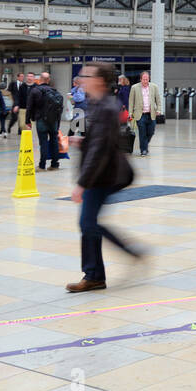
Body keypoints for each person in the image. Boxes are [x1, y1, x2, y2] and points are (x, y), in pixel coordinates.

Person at [66, 62, 142, 293]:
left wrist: (81, 184)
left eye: (86, 75)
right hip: (99, 174)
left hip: (104, 175)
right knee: (89, 223)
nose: (81, 78)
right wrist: (79, 139)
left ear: (99, 80)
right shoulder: (94, 103)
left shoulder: (107, 107)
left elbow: (100, 149)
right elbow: (92, 137)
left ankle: (97, 273)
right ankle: (95, 274)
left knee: (88, 223)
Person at [27, 72, 63, 171]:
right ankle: (54, 165)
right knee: (54, 142)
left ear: (40, 79)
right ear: (48, 80)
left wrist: (28, 121)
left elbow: (29, 107)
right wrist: (58, 123)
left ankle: (42, 166)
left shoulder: (35, 91)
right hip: (54, 121)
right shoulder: (55, 92)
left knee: (43, 143)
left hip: (41, 120)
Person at [128, 71, 163, 156]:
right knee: (142, 132)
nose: (145, 81)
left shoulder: (154, 87)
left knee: (151, 132)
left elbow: (158, 100)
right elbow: (131, 101)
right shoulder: (134, 87)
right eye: (144, 79)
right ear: (140, 79)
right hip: (140, 115)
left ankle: (145, 145)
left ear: (149, 79)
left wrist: (158, 109)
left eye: (147, 79)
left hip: (151, 114)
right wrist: (130, 113)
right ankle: (143, 150)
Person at [5, 72, 28, 136]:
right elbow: (8, 92)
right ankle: (10, 126)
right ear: (18, 77)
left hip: (22, 104)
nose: (22, 78)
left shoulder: (25, 85)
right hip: (14, 103)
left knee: (21, 118)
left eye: (23, 76)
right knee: (14, 118)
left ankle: (20, 130)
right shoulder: (13, 84)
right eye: (21, 76)